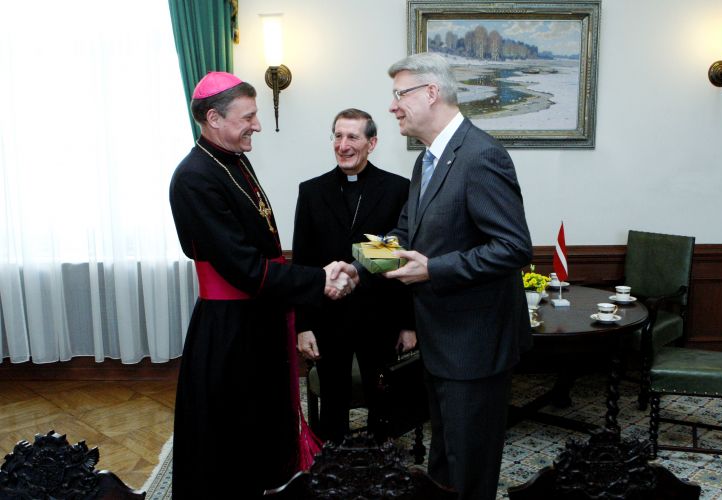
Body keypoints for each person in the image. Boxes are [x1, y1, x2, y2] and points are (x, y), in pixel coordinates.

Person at [168, 71, 357, 499]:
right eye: (248, 117)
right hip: (230, 330)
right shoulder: (194, 176)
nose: (256, 125)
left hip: (259, 317)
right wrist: (319, 278)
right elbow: (245, 268)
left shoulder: (233, 159)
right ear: (214, 118)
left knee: (268, 426)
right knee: (235, 436)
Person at [381, 52, 533, 500]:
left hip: (475, 346)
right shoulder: (427, 159)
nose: (393, 106)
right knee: (445, 461)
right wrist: (360, 262)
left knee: (469, 469)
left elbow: (513, 247)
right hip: (440, 340)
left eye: (399, 94)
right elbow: (406, 232)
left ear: (431, 93)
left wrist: (434, 269)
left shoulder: (482, 155)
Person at [293, 108, 416, 443]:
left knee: (384, 399)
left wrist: (408, 324)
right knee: (333, 403)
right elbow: (302, 264)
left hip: (380, 316)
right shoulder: (312, 191)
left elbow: (401, 254)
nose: (343, 145)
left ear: (371, 143)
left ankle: (382, 462)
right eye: (338, 136)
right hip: (328, 318)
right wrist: (303, 326)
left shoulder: (397, 189)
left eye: (352, 137)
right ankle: (333, 463)